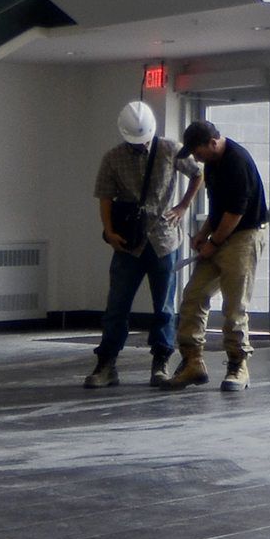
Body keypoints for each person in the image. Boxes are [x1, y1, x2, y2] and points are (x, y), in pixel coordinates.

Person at [86, 101, 201, 388]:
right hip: (129, 241)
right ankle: (106, 363)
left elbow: (197, 173)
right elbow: (105, 197)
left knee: (164, 308)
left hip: (164, 239)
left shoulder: (170, 149)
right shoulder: (113, 157)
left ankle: (161, 361)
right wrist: (109, 232)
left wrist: (183, 206)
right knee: (117, 306)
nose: (141, 145)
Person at [162, 119, 268, 393]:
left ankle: (238, 365)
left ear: (212, 143)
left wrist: (214, 242)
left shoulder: (237, 162)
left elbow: (235, 212)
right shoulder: (211, 163)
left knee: (234, 306)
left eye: (197, 152)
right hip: (222, 233)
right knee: (194, 295)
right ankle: (193, 362)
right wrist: (203, 233)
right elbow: (218, 209)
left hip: (243, 237)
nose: (196, 159)